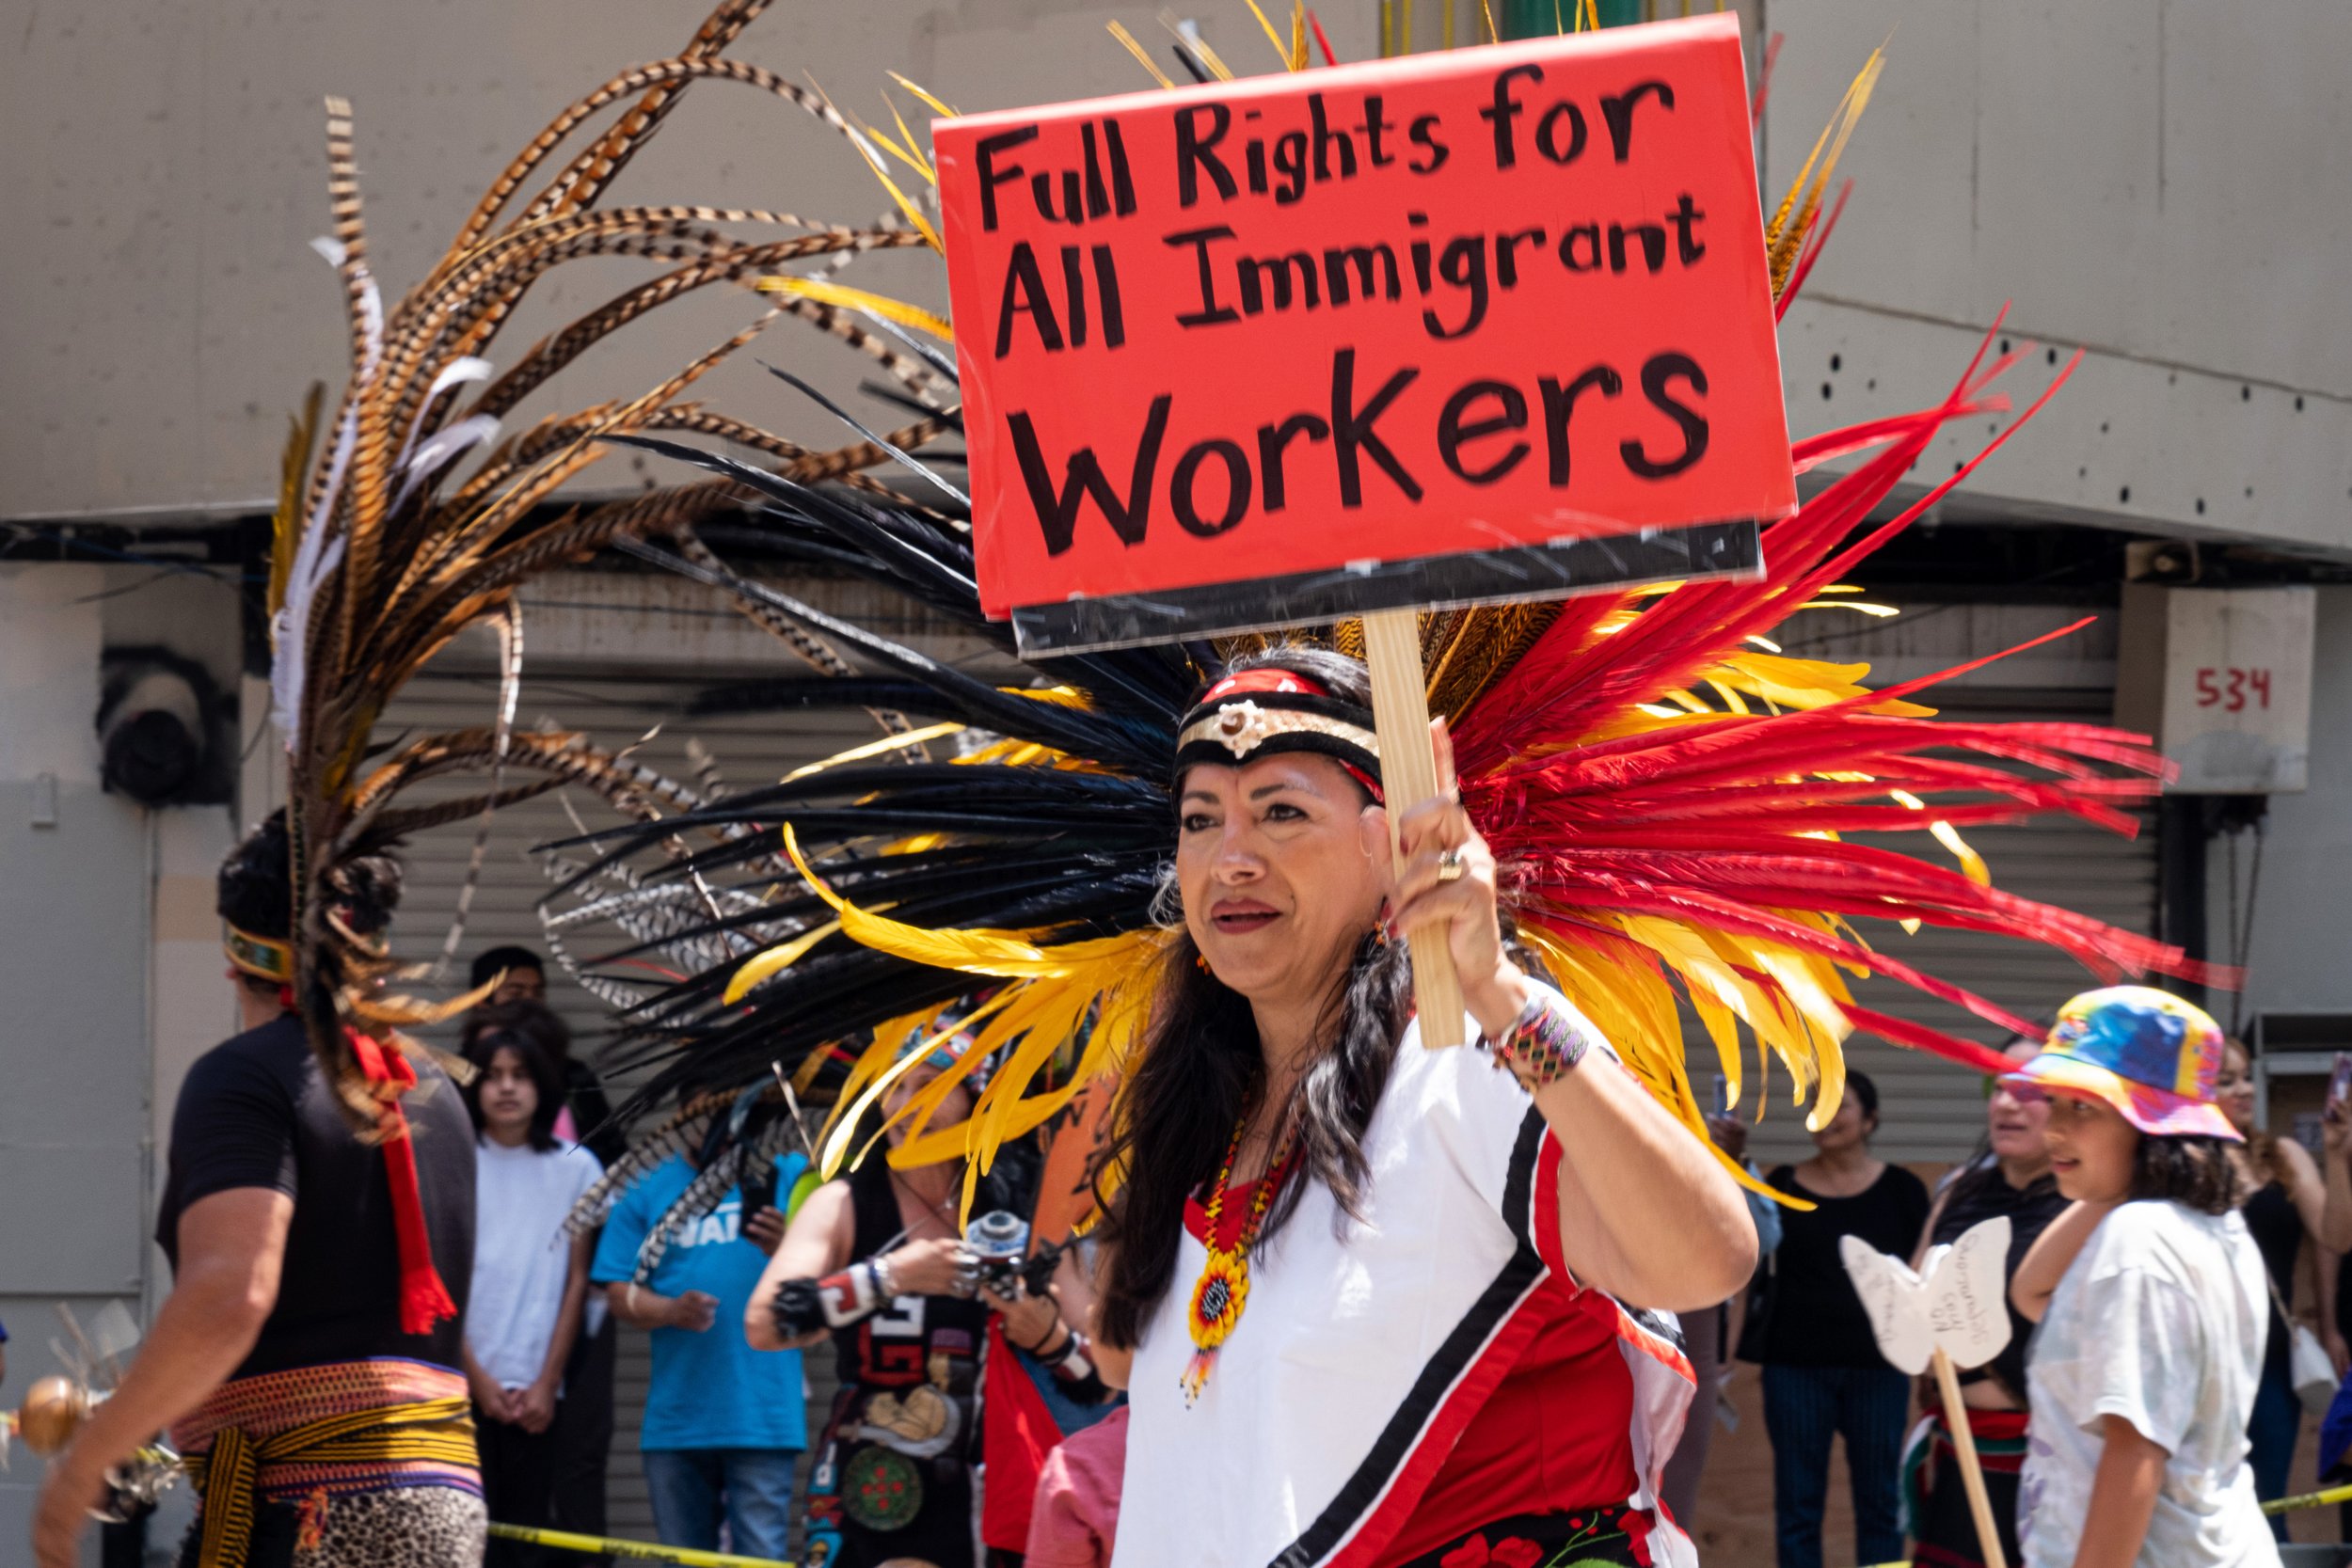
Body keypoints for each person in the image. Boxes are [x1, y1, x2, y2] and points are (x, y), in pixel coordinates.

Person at [1083, 652, 1756, 1568]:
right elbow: (1125, 1356)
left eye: (1282, 812)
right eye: (1201, 821)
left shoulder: (1463, 1063)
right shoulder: (1201, 1109)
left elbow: (1704, 1255)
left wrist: (1498, 988)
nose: (1232, 858)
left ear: (1387, 843)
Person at [33, 813, 479, 1568]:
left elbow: (232, 1293)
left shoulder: (241, 1077)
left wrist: (80, 1470)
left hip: (315, 1512)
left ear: (234, 959)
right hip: (442, 1510)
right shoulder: (434, 1091)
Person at [749, 1037, 1098, 1568]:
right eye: (895, 1088)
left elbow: (1103, 1380)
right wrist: (893, 1275)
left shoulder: (1023, 1209)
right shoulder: (842, 1203)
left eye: (930, 1086)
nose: (906, 1105)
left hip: (989, 1487)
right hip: (870, 1484)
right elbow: (766, 1323)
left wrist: (1046, 1335)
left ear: (976, 1099)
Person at [2007, 986, 2280, 1568]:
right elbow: (2031, 1292)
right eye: (2054, 1102)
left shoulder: (2142, 1240)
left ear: (2154, 1125)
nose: (2054, 1130)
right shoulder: (2213, 1225)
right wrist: (2123, 1179)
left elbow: (2135, 1451)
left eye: (2084, 1108)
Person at [591, 1121, 807, 1559]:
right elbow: (615, 1291)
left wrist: (790, 1247)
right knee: (683, 1558)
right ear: (685, 1115)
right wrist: (670, 1310)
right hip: (677, 1419)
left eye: (732, 1112)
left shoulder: (790, 1174)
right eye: (705, 1114)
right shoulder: (648, 1186)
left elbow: (841, 1269)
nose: (719, 1127)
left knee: (762, 1556)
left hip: (763, 1413)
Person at [1750, 1071, 1931, 1568]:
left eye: (1840, 1105)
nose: (1826, 1115)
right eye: (1817, 1103)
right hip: (1794, 1369)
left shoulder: (1904, 1190)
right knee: (1798, 1507)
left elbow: (1922, 1278)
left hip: (1880, 1369)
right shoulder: (1781, 1184)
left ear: (1870, 1119)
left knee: (1879, 1504)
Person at [461, 997, 622, 1554]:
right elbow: (441, 1280)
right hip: (463, 1384)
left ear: (544, 1084)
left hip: (539, 1388)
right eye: (494, 1076)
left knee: (528, 1534)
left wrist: (548, 1382)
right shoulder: (453, 1160)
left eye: (521, 1075)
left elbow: (578, 1280)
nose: (507, 1088)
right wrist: (476, 1379)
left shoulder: (577, 1166)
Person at [1903, 1035, 2069, 1568]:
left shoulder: (2090, 1205)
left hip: (2057, 1457)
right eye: (1996, 1087)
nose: (2005, 1103)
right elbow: (1912, 1303)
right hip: (1963, 1446)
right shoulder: (1959, 1189)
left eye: (2027, 1090)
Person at [2215, 1038, 2352, 1533]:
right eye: (2225, 1081)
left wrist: (2335, 1156)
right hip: (2202, 1356)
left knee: (2266, 1496)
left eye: (2246, 1076)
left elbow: (2337, 1236)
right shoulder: (2181, 1161)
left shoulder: (2283, 1155)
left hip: (2270, 1359)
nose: (2245, 1090)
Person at [1660, 1106, 1785, 1528]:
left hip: (1689, 1352)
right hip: (1611, 1347)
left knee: (1675, 1498)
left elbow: (1763, 1240)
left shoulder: (1713, 1169)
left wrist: (1731, 1166)